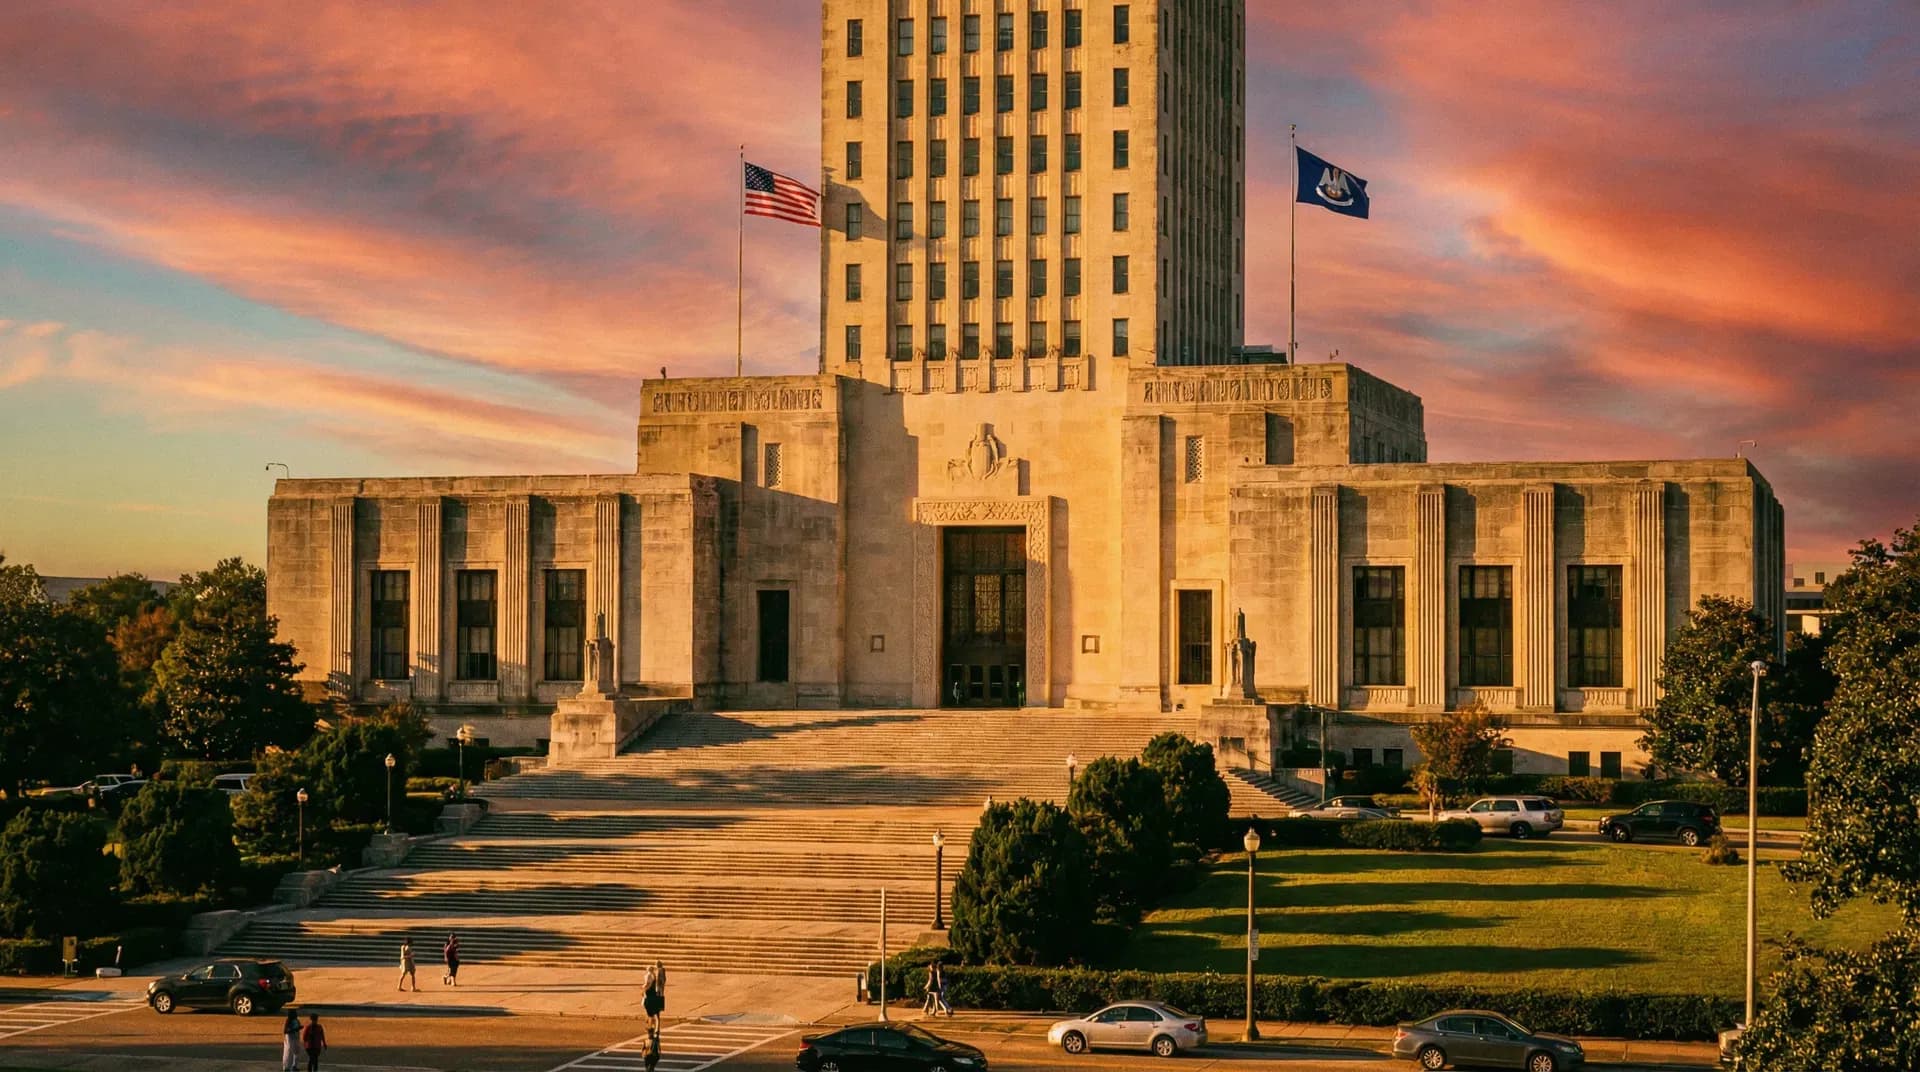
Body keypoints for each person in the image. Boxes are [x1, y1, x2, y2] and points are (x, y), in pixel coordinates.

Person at [642, 959, 665, 1029]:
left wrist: (643, 989)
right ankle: (654, 1026)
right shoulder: (658, 973)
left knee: (649, 1009)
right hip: (657, 993)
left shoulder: (653, 974)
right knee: (655, 1011)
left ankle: (651, 1026)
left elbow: (649, 984)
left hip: (653, 993)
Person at [280, 1008, 301, 1072]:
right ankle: (286, 1067)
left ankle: (294, 1066)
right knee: (288, 1052)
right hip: (290, 1038)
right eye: (294, 1013)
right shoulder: (288, 1021)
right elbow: (285, 1031)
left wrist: (298, 1028)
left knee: (296, 1051)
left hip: (296, 1037)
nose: (296, 1014)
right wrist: (293, 1030)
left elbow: (298, 1027)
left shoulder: (297, 1020)